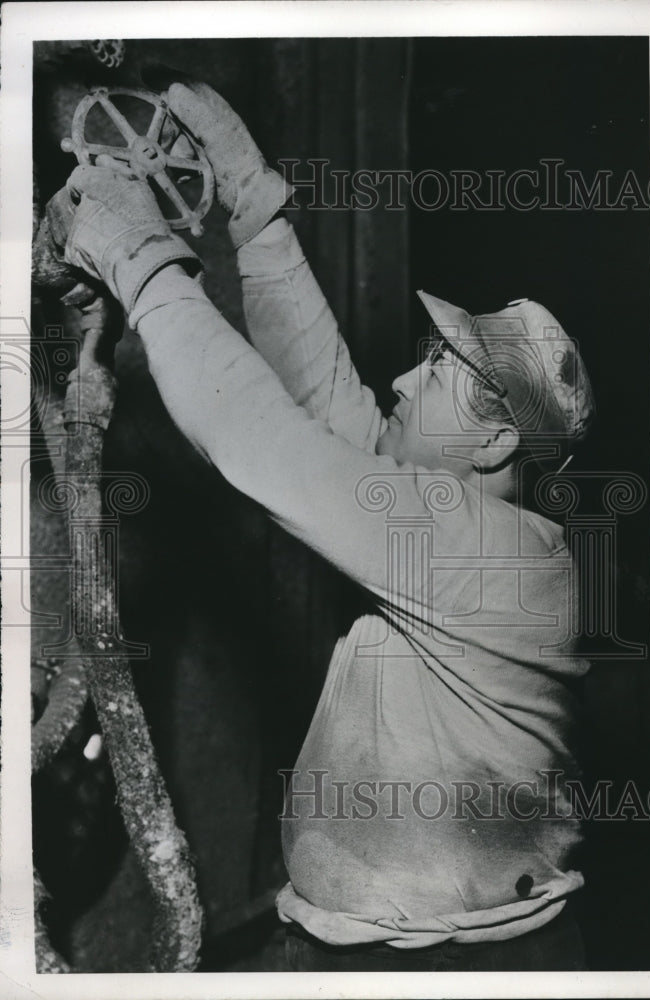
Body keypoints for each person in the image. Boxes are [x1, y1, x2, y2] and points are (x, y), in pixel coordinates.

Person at [42, 78, 595, 972]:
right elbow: (330, 409)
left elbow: (265, 444)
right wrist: (257, 214)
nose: (408, 383)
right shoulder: (462, 525)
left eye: (439, 372)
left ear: (497, 434)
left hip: (460, 969)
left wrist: (138, 258)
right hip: (363, 945)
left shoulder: (489, 557)